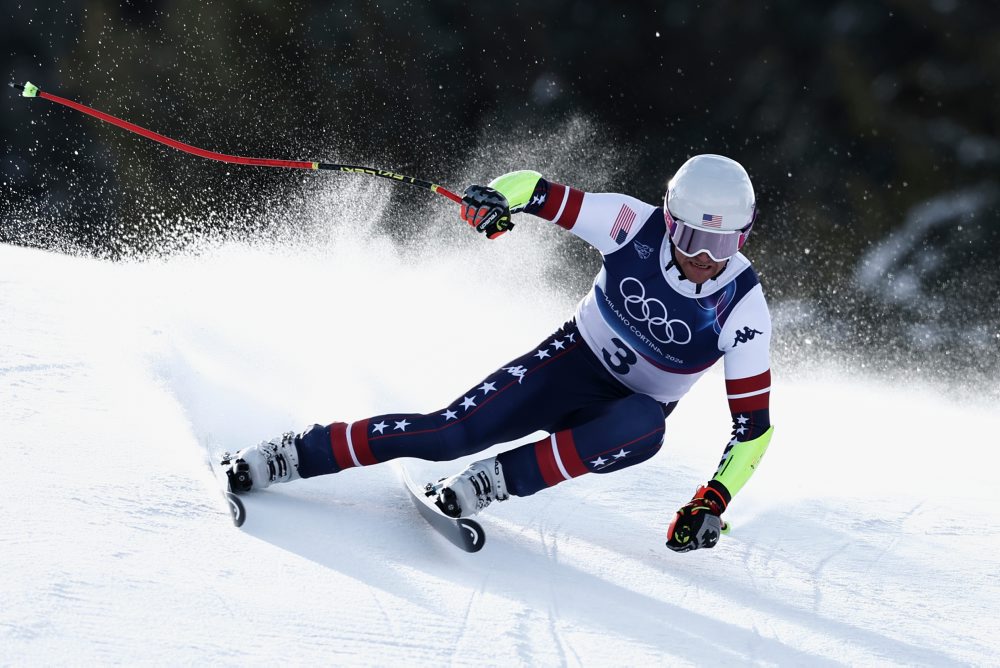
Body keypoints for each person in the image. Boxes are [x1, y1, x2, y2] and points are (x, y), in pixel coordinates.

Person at [224, 154, 774, 552]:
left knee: (645, 426)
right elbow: (535, 190)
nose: (706, 259)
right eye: (694, 239)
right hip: (567, 365)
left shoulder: (743, 308)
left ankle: (493, 482)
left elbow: (753, 429)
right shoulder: (632, 224)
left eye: (725, 244)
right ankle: (293, 453)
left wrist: (713, 499)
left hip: (617, 417)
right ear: (670, 221)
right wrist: (497, 200)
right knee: (447, 435)